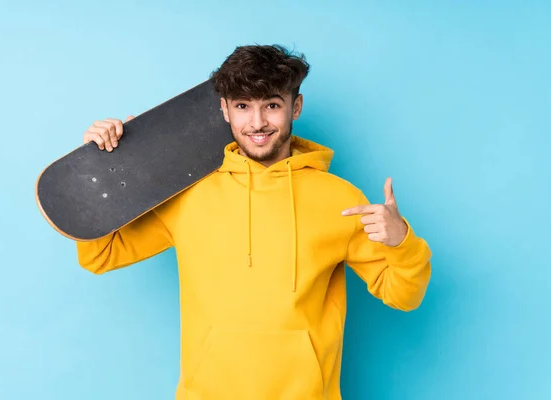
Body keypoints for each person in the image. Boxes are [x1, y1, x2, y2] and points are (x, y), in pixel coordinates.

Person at [77, 44, 432, 400]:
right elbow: (101, 255)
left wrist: (403, 242)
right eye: (243, 106)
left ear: (296, 107)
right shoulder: (187, 194)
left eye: (272, 106)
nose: (258, 123)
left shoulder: (340, 200)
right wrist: (99, 169)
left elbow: (403, 296)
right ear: (224, 110)